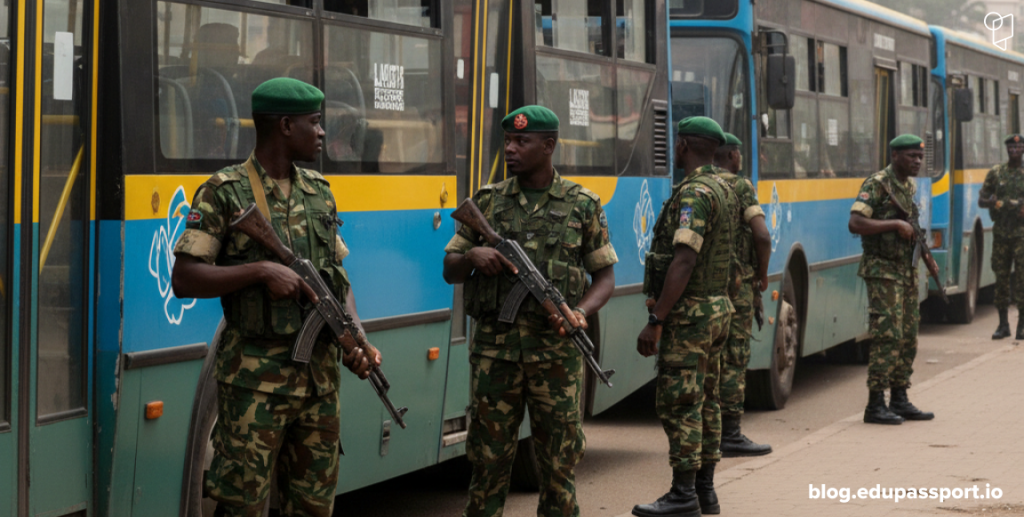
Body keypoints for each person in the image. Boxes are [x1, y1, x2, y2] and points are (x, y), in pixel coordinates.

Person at [171, 77, 380, 516]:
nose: (322, 132)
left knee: (312, 509)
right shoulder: (224, 192)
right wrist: (260, 270)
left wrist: (355, 335)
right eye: (315, 123)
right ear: (285, 126)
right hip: (254, 386)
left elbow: (338, 279)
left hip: (318, 388)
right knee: (243, 507)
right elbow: (186, 278)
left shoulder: (319, 192)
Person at [442, 105, 618, 517]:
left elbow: (605, 279)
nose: (511, 149)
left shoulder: (583, 205)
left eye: (522, 141)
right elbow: (450, 269)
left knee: (559, 470)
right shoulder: (487, 203)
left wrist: (579, 311)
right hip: (494, 359)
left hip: (555, 361)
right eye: (508, 141)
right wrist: (474, 254)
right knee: (487, 467)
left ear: (549, 146)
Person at [634, 117, 739, 517]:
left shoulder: (695, 193)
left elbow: (684, 259)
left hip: (691, 314)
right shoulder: (726, 187)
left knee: (681, 403)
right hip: (717, 309)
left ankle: (682, 495)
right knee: (708, 401)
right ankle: (705, 491)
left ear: (681, 146)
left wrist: (657, 319)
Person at [848, 134, 937, 426]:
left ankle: (900, 397)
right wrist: (894, 223)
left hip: (905, 271)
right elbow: (856, 222)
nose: (917, 161)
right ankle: (876, 403)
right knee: (887, 335)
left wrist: (926, 258)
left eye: (920, 157)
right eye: (912, 156)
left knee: (908, 335)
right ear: (895, 155)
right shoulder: (877, 184)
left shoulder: (908, 187)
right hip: (882, 270)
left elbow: (913, 228)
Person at [711, 132, 773, 457]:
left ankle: (709, 431)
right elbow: (762, 235)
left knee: (710, 358)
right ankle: (731, 434)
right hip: (737, 288)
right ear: (733, 156)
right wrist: (761, 275)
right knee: (735, 357)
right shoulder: (741, 186)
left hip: (704, 291)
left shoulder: (697, 185)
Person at [979, 134, 1024, 339]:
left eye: (1019, 147)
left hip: (1022, 234)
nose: (1015, 150)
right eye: (1011, 148)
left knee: (1022, 280)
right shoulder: (996, 173)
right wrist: (991, 201)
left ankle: (1022, 325)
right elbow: (982, 199)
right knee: (1001, 278)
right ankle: (1003, 324)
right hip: (1001, 234)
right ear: (1006, 150)